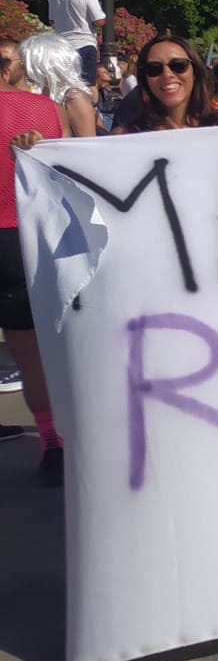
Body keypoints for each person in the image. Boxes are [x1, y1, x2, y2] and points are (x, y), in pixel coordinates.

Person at [2, 36, 67, 484]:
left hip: (15, 237)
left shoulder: (41, 108)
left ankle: (51, 439)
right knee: (40, 353)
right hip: (26, 234)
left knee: (28, 354)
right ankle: (53, 442)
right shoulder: (45, 108)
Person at [118, 35, 218, 133]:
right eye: (154, 68)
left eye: (178, 65)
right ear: (145, 78)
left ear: (195, 71)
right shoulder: (128, 138)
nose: (167, 75)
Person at [21, 33, 100, 138]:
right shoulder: (39, 93)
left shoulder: (74, 98)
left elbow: (87, 143)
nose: (22, 66)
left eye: (26, 62)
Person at [47, 0, 105, 86]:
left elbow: (52, 20)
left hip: (61, 45)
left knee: (64, 84)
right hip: (83, 43)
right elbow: (99, 21)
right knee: (87, 86)